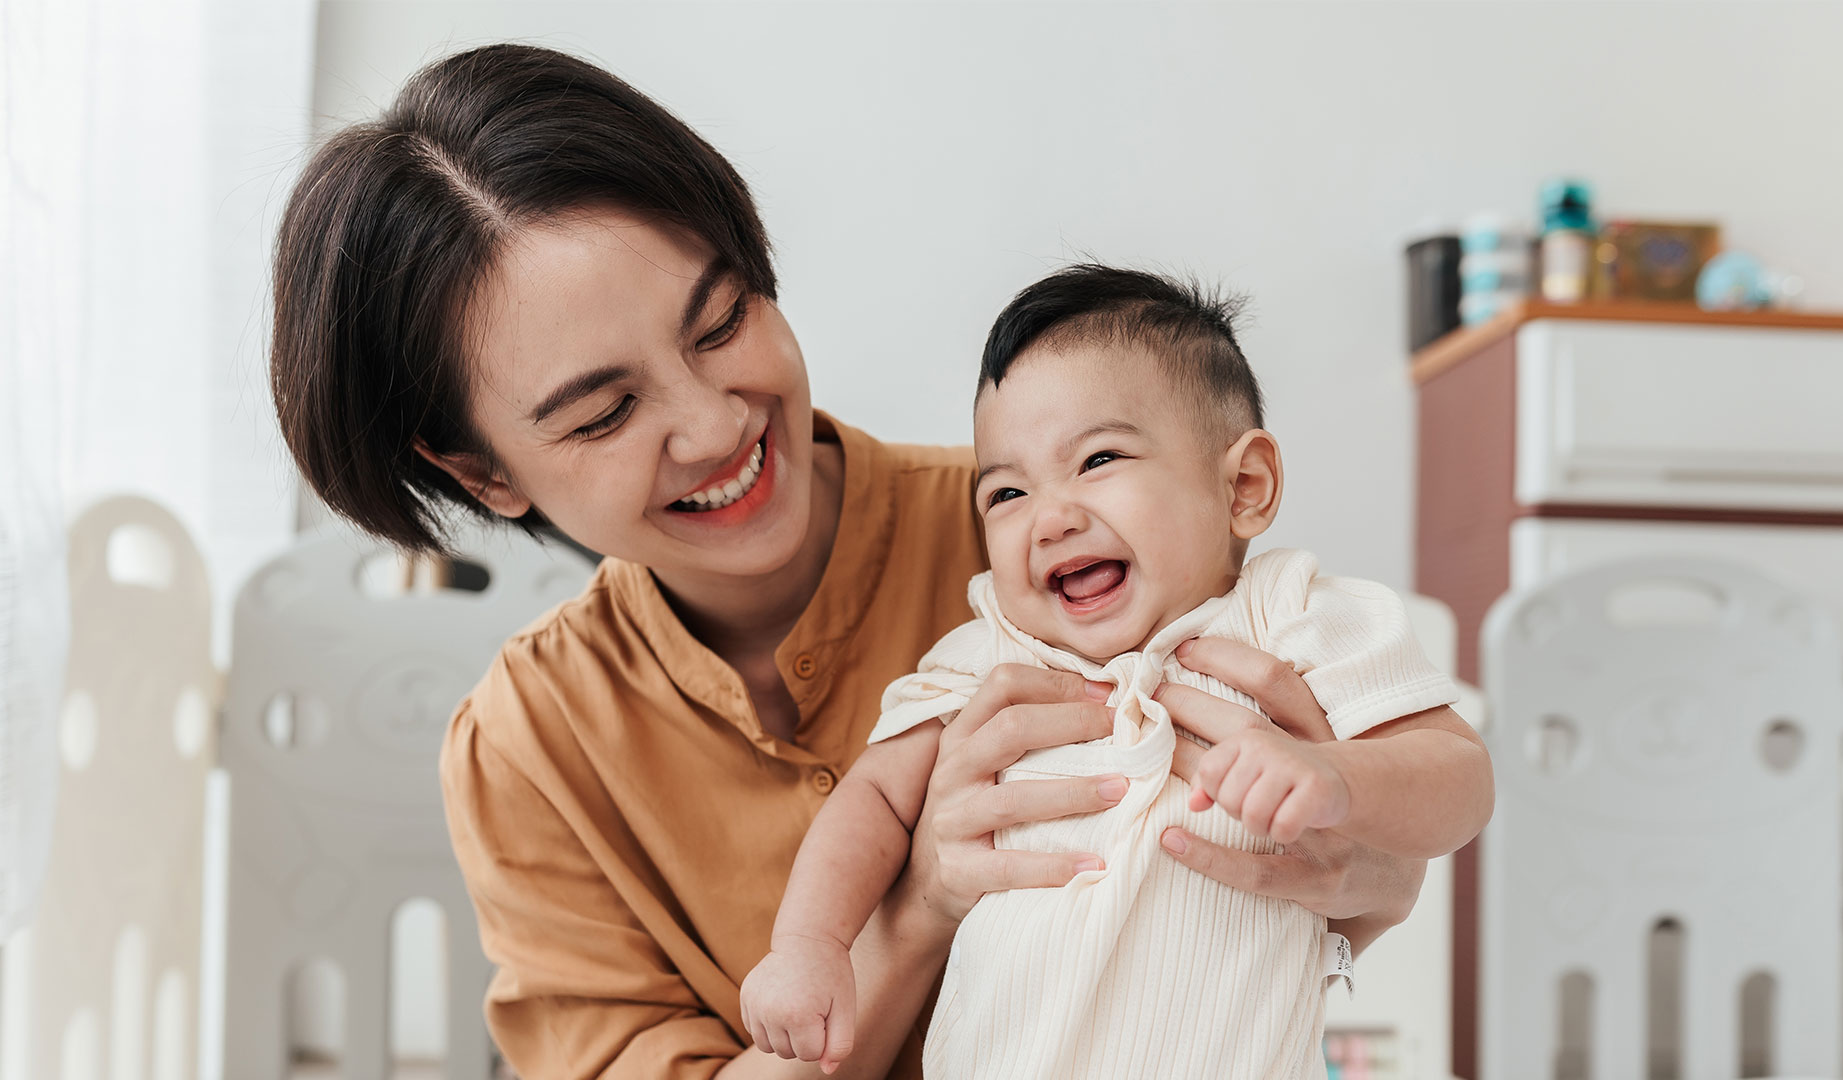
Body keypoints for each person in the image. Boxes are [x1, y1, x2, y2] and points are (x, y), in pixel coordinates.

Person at [268, 43, 1433, 1080]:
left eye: (721, 323)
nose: (715, 426)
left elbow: (1373, 860)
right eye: (604, 412)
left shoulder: (1070, 550)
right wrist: (917, 905)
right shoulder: (535, 746)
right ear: (486, 476)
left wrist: (1361, 859)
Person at [740, 266, 1493, 1077]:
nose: (1051, 518)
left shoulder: (1291, 614)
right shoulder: (992, 649)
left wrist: (1339, 776)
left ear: (1244, 486)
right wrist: (809, 944)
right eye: (1006, 494)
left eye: (1097, 459)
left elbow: (1460, 779)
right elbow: (876, 798)